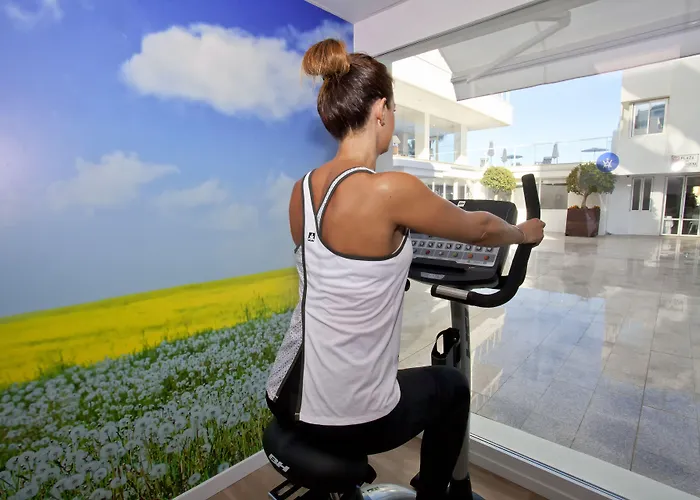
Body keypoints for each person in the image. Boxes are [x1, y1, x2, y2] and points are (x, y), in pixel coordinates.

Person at [265, 38, 545, 500]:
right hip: (349, 417)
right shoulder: (390, 189)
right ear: (380, 110)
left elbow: (338, 276)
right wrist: (523, 233)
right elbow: (479, 230)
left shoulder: (302, 191)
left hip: (287, 394)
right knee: (451, 386)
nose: (392, 117)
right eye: (393, 108)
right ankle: (434, 495)